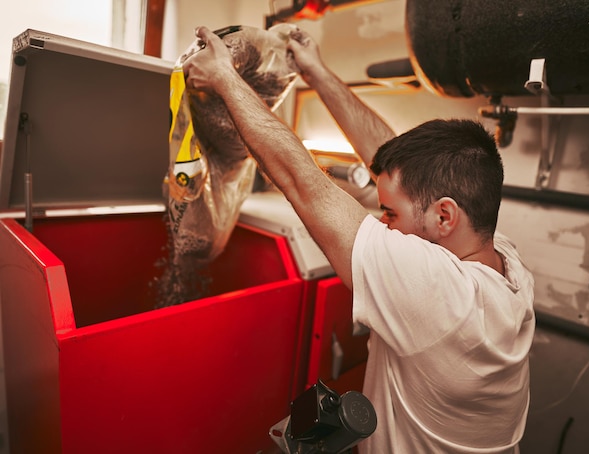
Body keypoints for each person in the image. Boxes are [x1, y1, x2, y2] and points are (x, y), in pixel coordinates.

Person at [183, 25, 535, 454]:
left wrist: (223, 77)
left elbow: (302, 182)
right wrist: (317, 72)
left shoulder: (441, 295)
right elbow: (392, 162)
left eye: (390, 213)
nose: (384, 224)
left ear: (445, 215)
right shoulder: (504, 261)